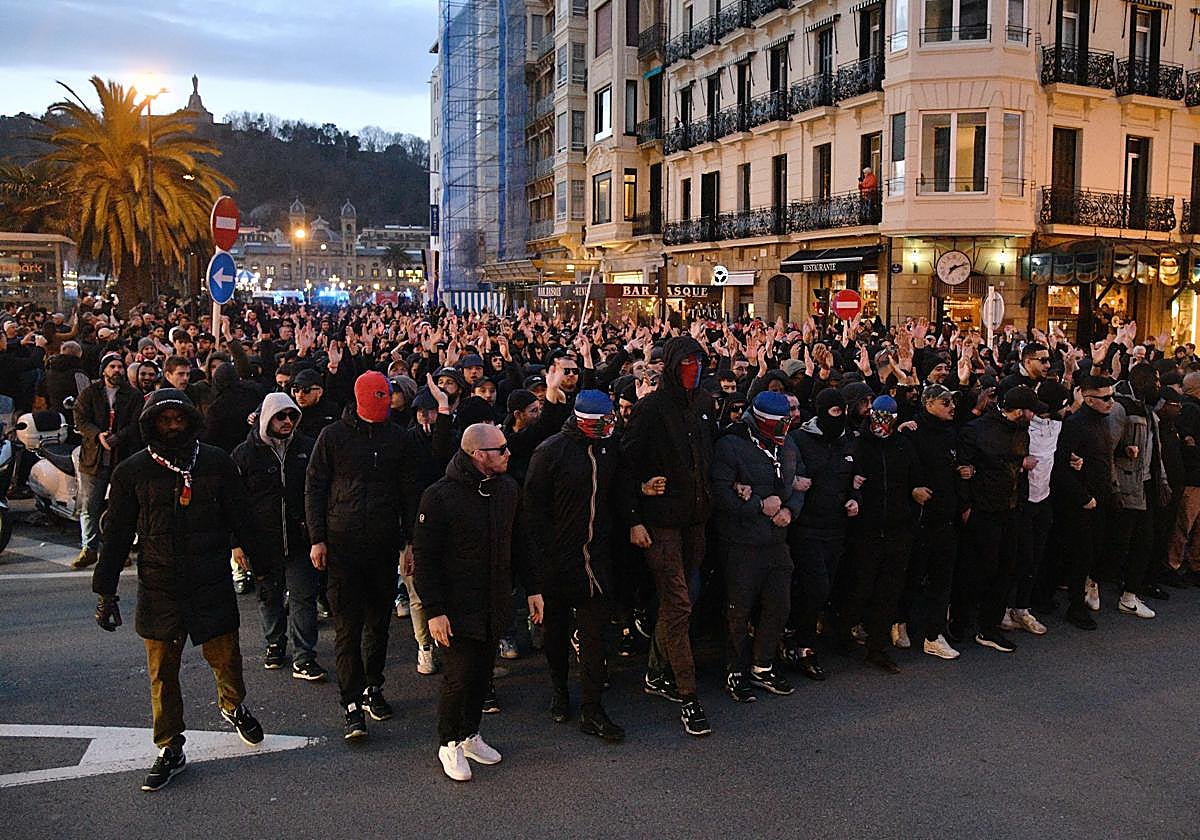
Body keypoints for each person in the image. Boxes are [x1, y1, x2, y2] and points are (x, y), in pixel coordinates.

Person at [91, 389, 267, 792]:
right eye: (164, 420)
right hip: (159, 586)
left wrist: (267, 570)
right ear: (151, 424)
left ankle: (233, 705)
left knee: (226, 659)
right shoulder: (132, 471)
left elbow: (244, 518)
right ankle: (170, 746)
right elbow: (116, 534)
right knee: (162, 675)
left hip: (211, 582)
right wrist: (106, 591)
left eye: (179, 420)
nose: (172, 427)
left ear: (191, 421)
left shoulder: (216, 462)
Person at [414, 423, 538, 781]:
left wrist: (534, 588)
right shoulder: (439, 496)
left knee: (483, 672)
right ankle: (448, 743)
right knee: (459, 676)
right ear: (478, 455)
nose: (508, 453)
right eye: (501, 449)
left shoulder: (508, 489)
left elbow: (521, 542)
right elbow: (425, 558)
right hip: (456, 605)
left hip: (495, 599)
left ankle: (470, 734)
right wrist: (434, 610)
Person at [305, 371, 419, 740]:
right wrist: (317, 538)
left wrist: (410, 542)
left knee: (378, 624)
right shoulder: (333, 437)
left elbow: (409, 492)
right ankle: (351, 703)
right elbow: (315, 488)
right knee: (347, 628)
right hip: (342, 545)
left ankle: (374, 685)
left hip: (383, 545)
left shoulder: (398, 439)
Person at [620, 335, 715, 737]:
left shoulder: (703, 406)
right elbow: (626, 464)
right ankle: (688, 693)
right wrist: (636, 510)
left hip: (695, 519)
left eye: (699, 361)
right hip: (661, 523)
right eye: (687, 362)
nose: (693, 369)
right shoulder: (650, 409)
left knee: (682, 601)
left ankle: (658, 671)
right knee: (678, 602)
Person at [523, 391, 625, 741]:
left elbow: (617, 496)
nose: (609, 427)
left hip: (596, 559)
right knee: (555, 632)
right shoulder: (550, 452)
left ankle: (593, 710)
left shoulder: (610, 449)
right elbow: (533, 513)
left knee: (595, 637)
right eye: (602, 423)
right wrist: (538, 567)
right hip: (557, 561)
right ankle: (559, 691)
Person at [710, 390, 803, 701]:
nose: (784, 431)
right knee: (738, 610)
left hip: (777, 540)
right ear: (762, 422)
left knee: (780, 604)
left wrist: (790, 510)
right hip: (741, 543)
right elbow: (721, 493)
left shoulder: (788, 444)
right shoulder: (730, 444)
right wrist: (759, 507)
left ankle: (762, 665)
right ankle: (734, 669)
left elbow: (798, 482)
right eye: (779, 425)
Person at [231, 392, 326, 682]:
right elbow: (232, 502)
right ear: (266, 418)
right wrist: (236, 544)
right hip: (262, 542)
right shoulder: (244, 454)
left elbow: (320, 492)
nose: (287, 421)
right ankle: (274, 643)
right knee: (268, 596)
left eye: (292, 416)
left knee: (303, 598)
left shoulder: (308, 448)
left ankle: (304, 656)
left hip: (301, 539)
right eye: (280, 416)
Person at [839, 395, 924, 673]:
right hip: (866, 529)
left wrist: (914, 496)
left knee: (889, 591)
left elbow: (915, 479)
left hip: (898, 528)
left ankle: (878, 647)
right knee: (860, 586)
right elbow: (846, 477)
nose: (882, 424)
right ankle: (842, 632)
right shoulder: (859, 445)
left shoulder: (903, 446)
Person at [951, 385, 1039, 653]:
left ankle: (988, 626)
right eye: (1032, 411)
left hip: (1011, 509)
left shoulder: (1021, 430)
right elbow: (963, 468)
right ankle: (959, 620)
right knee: (975, 570)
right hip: (982, 510)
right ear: (1021, 411)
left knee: (1005, 569)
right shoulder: (977, 429)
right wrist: (966, 507)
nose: (1035, 416)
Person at [783, 387, 859, 680]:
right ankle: (804, 646)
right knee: (815, 586)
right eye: (834, 412)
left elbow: (855, 477)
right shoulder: (800, 440)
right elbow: (789, 475)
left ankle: (800, 635)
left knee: (822, 588)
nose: (839, 418)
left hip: (836, 527)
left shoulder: (848, 441)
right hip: (807, 527)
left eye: (842, 412)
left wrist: (855, 497)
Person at [899, 384, 966, 660]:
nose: (952, 407)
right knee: (911, 576)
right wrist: (912, 490)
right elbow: (902, 470)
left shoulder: (952, 433)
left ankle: (933, 635)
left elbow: (954, 466)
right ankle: (899, 620)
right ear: (928, 404)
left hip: (946, 518)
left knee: (941, 579)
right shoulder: (912, 433)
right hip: (919, 519)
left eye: (952, 402)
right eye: (945, 402)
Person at [72, 352, 142, 569]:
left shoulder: (133, 395)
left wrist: (118, 437)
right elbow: (80, 419)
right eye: (112, 367)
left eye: (120, 367)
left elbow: (135, 423)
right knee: (88, 505)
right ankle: (89, 548)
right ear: (104, 370)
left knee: (120, 509)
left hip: (121, 458)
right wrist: (97, 434)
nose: (117, 371)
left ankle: (118, 551)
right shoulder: (90, 393)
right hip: (94, 458)